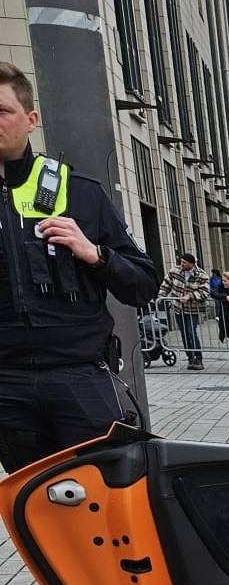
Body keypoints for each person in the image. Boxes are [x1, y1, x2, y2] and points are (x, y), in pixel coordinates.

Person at [0, 62, 161, 471]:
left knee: (103, 509)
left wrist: (95, 254)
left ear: (30, 119)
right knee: (33, 514)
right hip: (8, 388)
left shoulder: (79, 193)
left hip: (81, 380)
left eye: (1, 111)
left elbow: (143, 284)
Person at [160, 252, 211, 370]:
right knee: (184, 334)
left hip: (193, 309)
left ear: (192, 264)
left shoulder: (202, 275)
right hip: (178, 308)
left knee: (191, 332)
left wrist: (190, 296)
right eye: (181, 261)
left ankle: (198, 358)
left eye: (184, 262)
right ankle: (190, 358)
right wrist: (161, 296)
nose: (181, 264)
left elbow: (205, 292)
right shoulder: (175, 271)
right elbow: (166, 284)